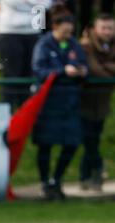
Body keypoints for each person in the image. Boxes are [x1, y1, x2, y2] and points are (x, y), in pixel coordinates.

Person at [31, 5, 88, 200]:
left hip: (70, 103)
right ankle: (45, 182)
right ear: (55, 26)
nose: (67, 34)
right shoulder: (43, 45)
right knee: (45, 145)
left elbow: (84, 65)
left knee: (71, 144)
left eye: (70, 30)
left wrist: (81, 71)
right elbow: (39, 70)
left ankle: (57, 179)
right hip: (48, 104)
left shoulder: (74, 45)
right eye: (64, 30)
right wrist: (63, 71)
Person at [79, 14, 115, 191]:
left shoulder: (111, 46)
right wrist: (108, 70)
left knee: (93, 139)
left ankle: (86, 177)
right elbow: (93, 69)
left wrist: (104, 68)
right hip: (83, 101)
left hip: (102, 102)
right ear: (95, 29)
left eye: (110, 28)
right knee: (89, 139)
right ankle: (97, 169)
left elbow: (99, 70)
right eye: (104, 28)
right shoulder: (85, 45)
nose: (107, 32)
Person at [0, 0, 53, 109]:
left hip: (35, 31)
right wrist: (35, 4)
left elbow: (46, 4)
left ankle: (24, 118)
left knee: (29, 78)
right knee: (11, 77)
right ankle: (6, 118)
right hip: (9, 32)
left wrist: (27, 3)